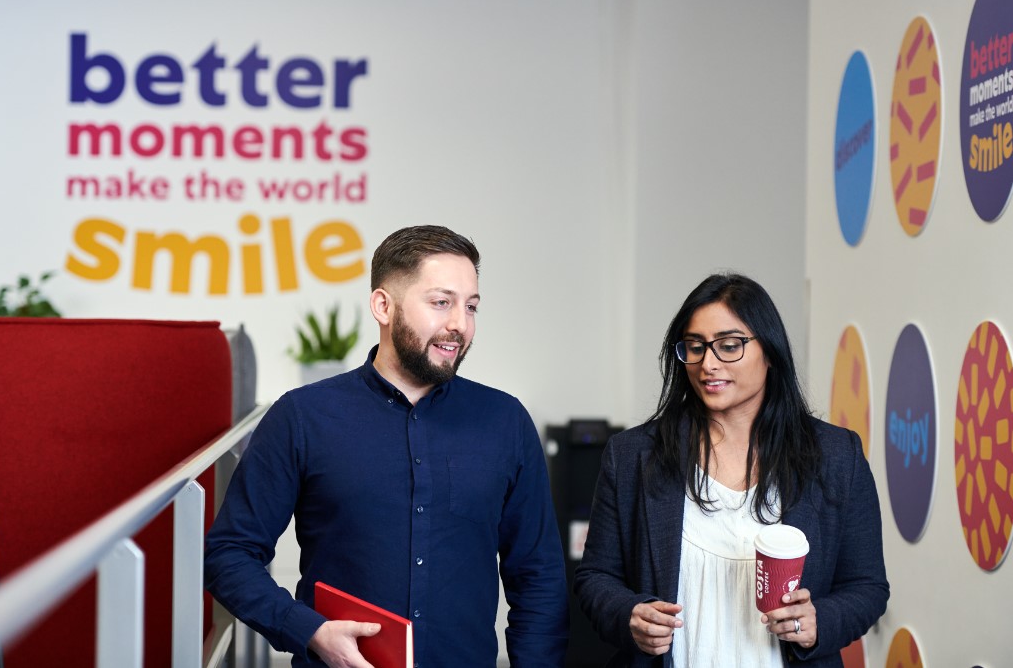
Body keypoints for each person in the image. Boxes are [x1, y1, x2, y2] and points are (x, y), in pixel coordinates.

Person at [204, 225, 569, 667]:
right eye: (441, 302)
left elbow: (538, 579)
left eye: (470, 306)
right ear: (383, 306)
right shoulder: (302, 417)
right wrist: (309, 630)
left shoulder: (505, 421)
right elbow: (229, 554)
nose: (460, 324)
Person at [573, 273, 888, 667]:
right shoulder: (634, 454)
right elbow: (595, 578)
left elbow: (867, 586)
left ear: (769, 351)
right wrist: (629, 615)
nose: (708, 364)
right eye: (695, 347)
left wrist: (818, 621)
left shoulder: (837, 456)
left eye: (729, 346)